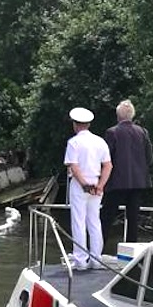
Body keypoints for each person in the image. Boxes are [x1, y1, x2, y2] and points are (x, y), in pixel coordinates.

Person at [63, 107, 112, 270]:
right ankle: (96, 258)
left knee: (78, 221)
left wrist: (84, 184)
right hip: (97, 183)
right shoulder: (100, 141)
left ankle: (80, 260)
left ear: (75, 125)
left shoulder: (73, 142)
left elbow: (74, 167)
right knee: (94, 221)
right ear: (89, 124)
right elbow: (108, 165)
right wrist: (100, 185)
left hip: (80, 184)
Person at [100, 100, 153, 245]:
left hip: (117, 181)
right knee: (133, 219)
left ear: (118, 116)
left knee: (107, 217)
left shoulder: (112, 132)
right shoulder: (142, 132)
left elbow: (106, 159)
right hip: (138, 182)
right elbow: (149, 157)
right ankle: (132, 252)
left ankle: (97, 250)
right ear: (132, 115)